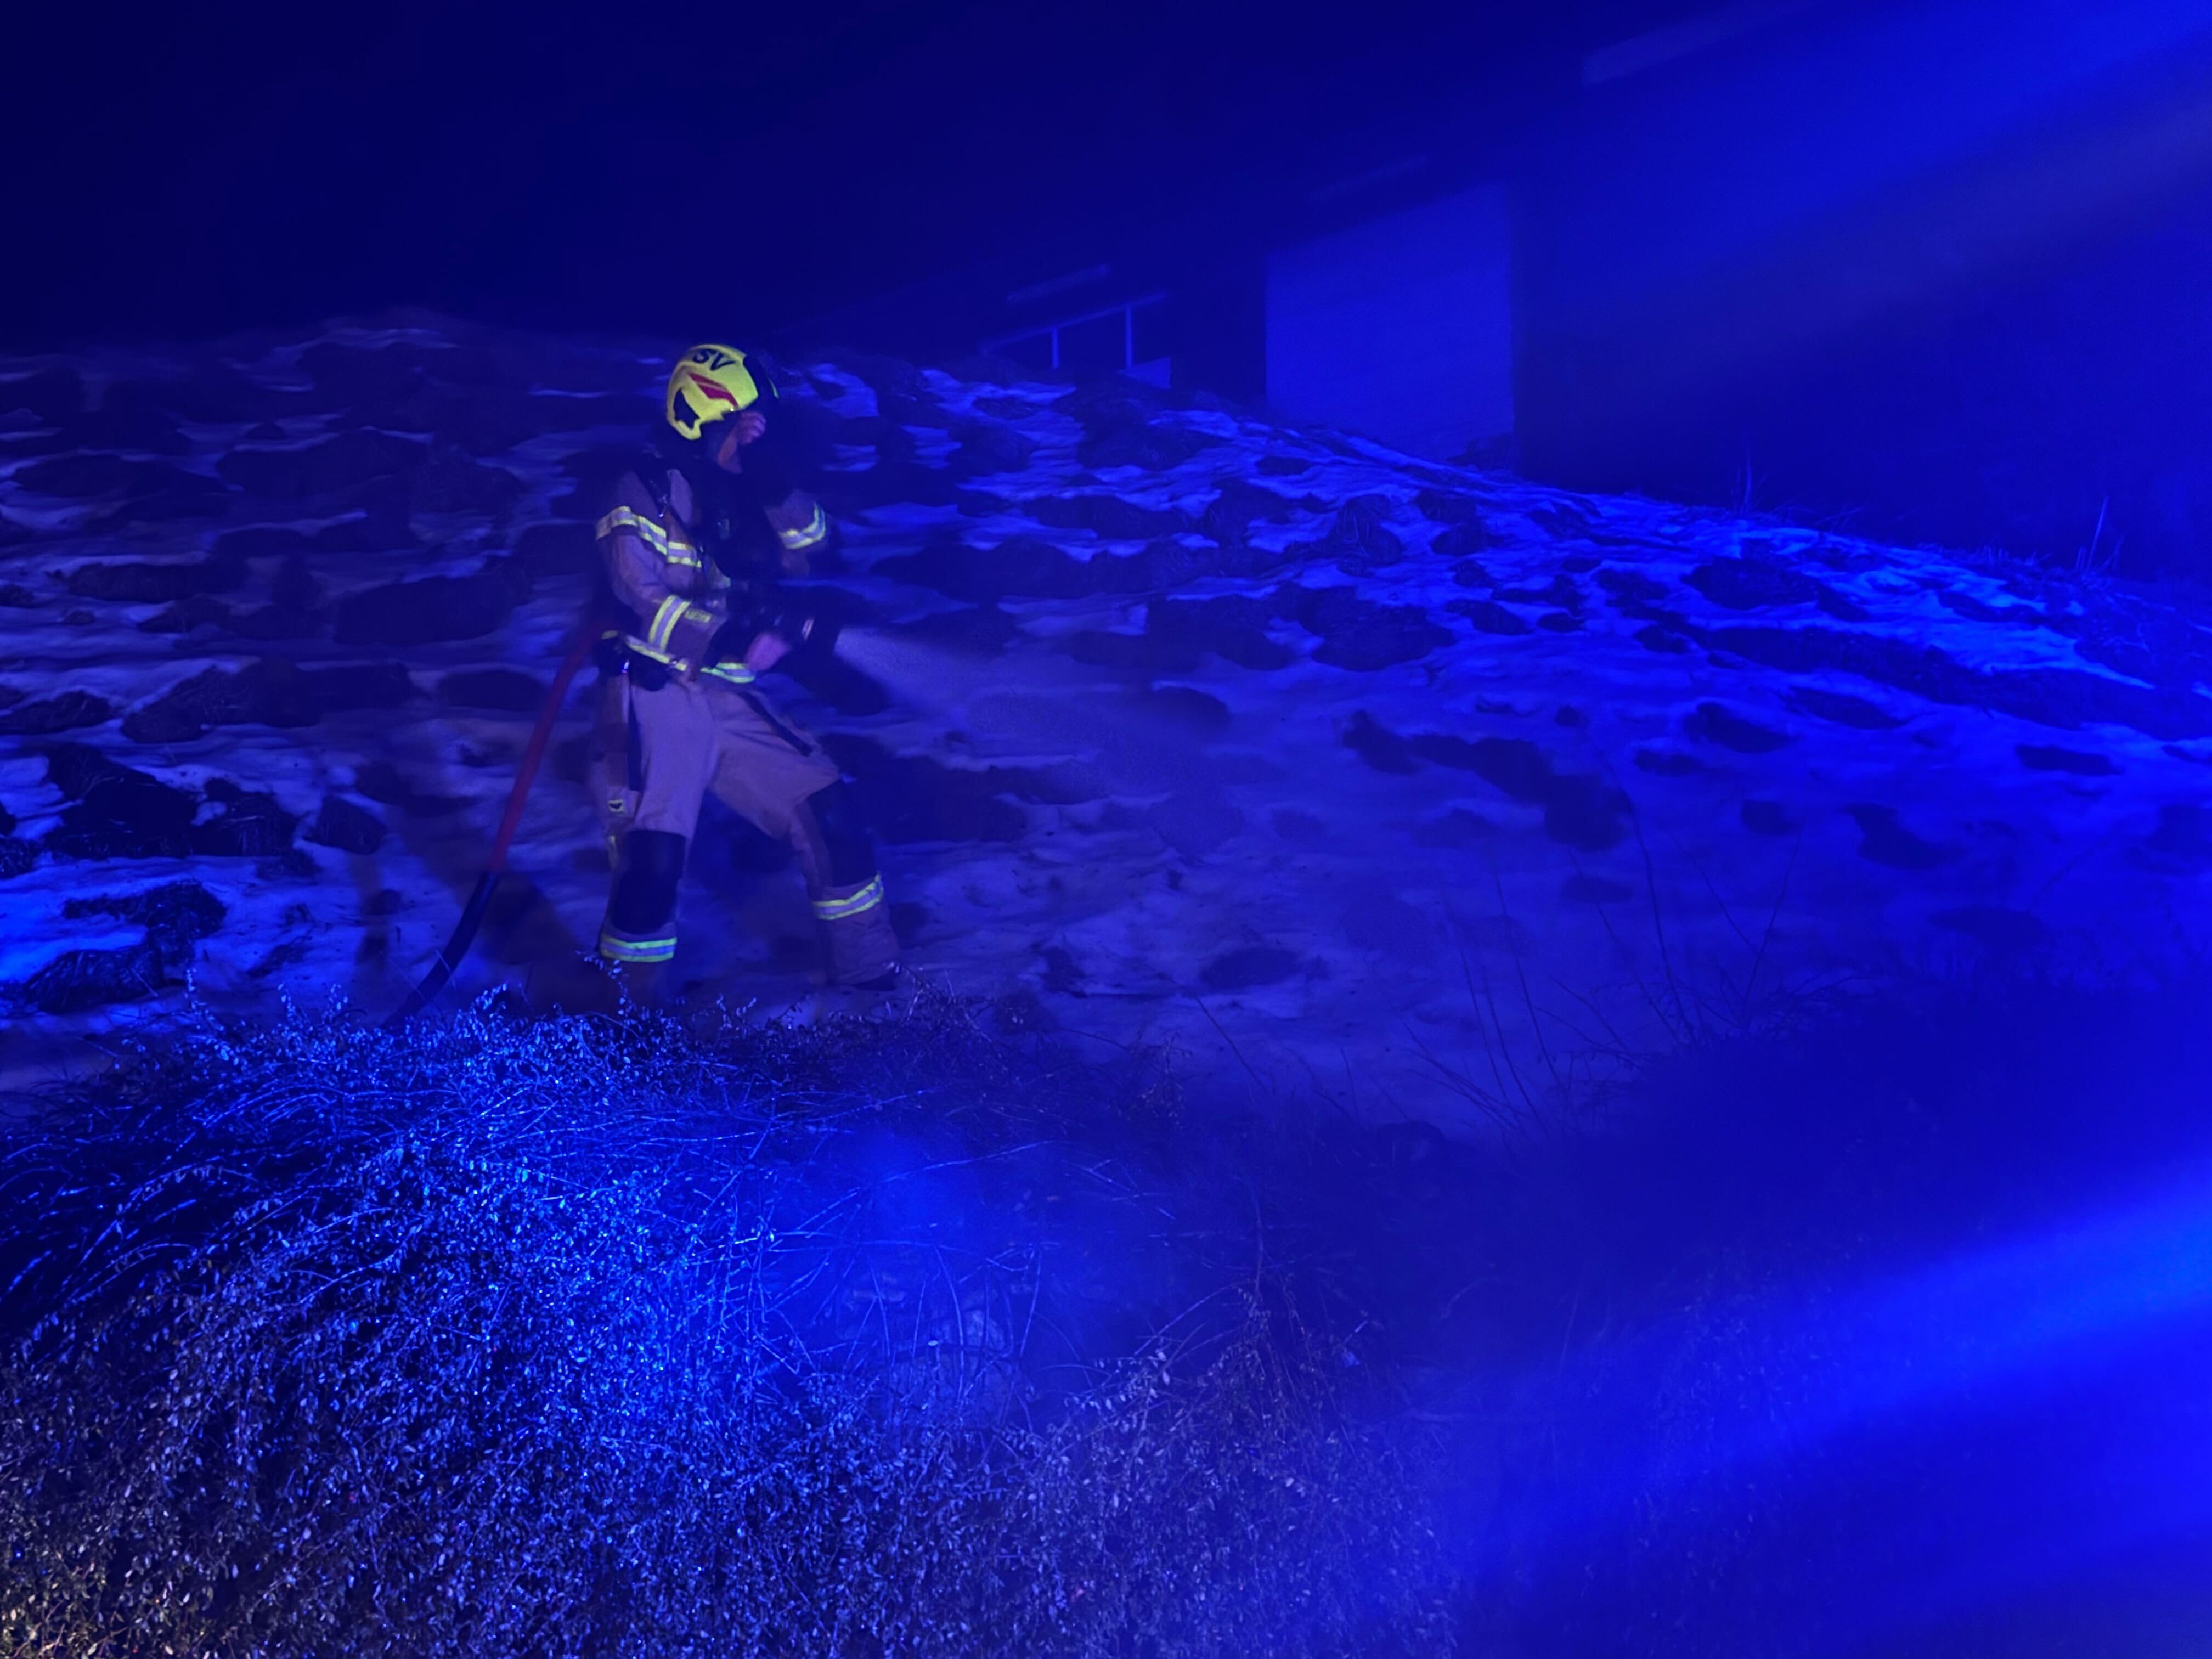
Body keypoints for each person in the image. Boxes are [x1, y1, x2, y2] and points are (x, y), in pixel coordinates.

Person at [584, 342, 899, 1000]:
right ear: (698, 417)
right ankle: (623, 1030)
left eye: (760, 422)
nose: (755, 431)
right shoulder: (642, 489)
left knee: (833, 818)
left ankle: (870, 994)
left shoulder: (743, 488)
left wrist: (772, 481)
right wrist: (730, 635)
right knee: (652, 865)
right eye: (742, 421)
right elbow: (639, 597)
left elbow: (816, 550)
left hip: (727, 693)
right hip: (654, 692)